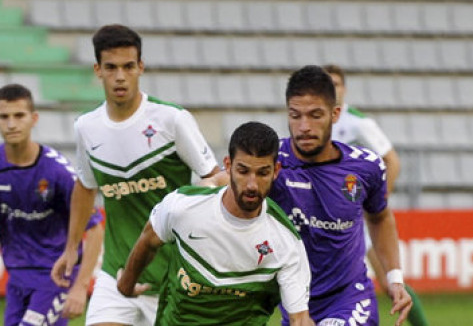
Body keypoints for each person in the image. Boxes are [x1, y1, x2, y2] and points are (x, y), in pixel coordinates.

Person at [50, 24, 227, 326]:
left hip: (173, 279)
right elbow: (85, 186)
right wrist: (71, 248)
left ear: (140, 67)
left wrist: (205, 191)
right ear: (98, 70)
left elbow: (216, 177)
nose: (120, 76)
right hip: (116, 275)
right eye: (111, 67)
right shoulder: (87, 128)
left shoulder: (172, 120)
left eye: (128, 66)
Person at [117, 122, 314, 326]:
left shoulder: (286, 242)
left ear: (276, 171)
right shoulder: (183, 207)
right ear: (227, 166)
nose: (252, 185)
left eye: (263, 173)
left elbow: (299, 318)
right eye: (243, 171)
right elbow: (149, 239)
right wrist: (126, 285)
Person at [270, 65, 412, 326]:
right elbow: (225, 185)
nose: (304, 127)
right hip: (295, 303)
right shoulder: (270, 162)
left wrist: (394, 278)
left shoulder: (365, 167)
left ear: (335, 114)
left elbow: (380, 218)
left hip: (350, 298)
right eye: (296, 116)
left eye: (315, 115)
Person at [0, 84, 104, 326]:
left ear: (34, 119)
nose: (11, 124)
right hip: (17, 278)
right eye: (4, 117)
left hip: (55, 277)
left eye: (19, 115)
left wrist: (81, 287)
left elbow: (94, 229)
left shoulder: (58, 172)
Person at [324, 64, 429, 326]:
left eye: (336, 84)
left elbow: (392, 161)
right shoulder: (315, 121)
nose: (332, 89)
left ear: (344, 89)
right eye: (327, 83)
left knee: (387, 280)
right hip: (326, 215)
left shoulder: (358, 123)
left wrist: (374, 204)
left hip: (352, 217)